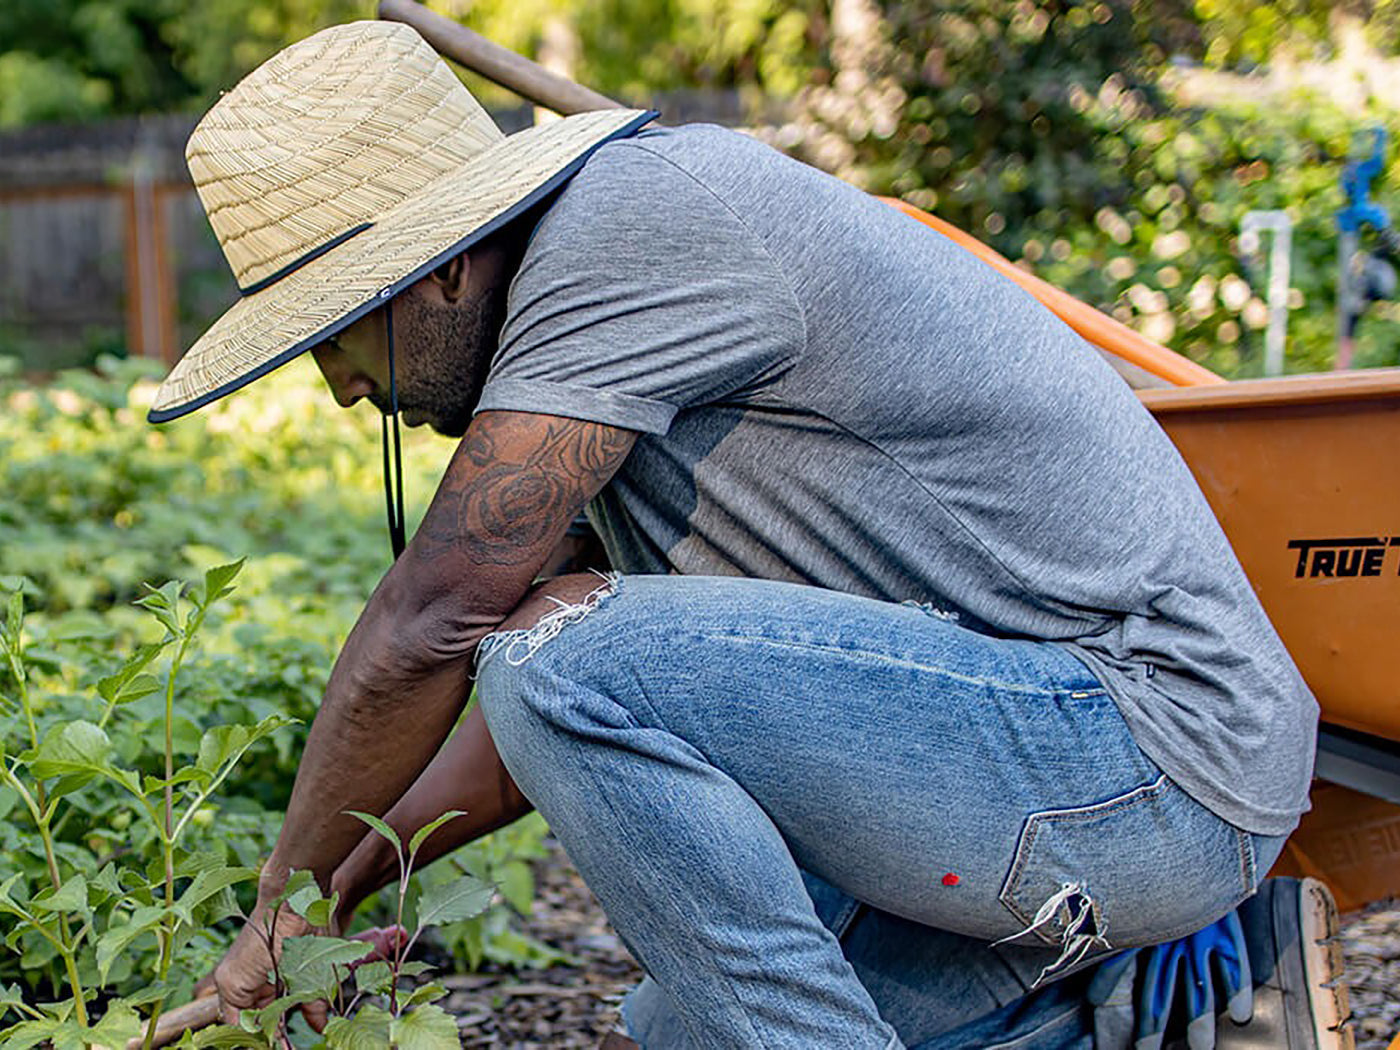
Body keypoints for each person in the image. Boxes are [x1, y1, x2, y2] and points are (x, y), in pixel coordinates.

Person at [150, 20, 1350, 1050]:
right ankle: (1152, 999)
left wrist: (277, 902)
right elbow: (564, 703)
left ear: (447, 271)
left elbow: (448, 622)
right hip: (1040, 781)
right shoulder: (589, 344)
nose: (341, 392)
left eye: (335, 338)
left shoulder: (632, 229)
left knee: (556, 655)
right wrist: (357, 874)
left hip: (1142, 755)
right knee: (670, 1029)